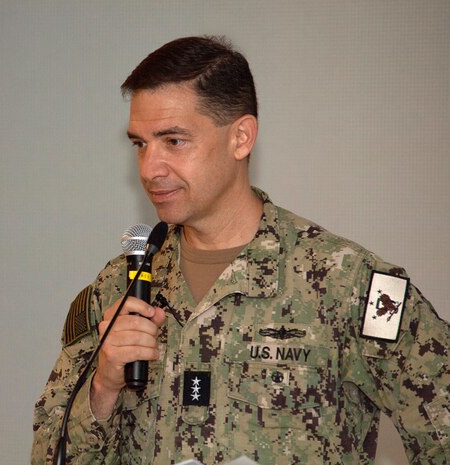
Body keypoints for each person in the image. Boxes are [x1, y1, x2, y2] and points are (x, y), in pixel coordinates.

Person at [31, 36, 449, 465]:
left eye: (173, 141)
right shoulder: (121, 287)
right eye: (140, 144)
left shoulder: (347, 283)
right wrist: (103, 387)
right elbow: (49, 456)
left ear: (241, 137)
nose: (150, 168)